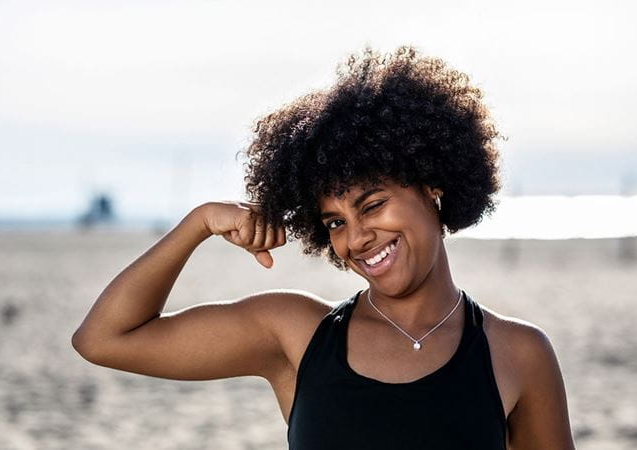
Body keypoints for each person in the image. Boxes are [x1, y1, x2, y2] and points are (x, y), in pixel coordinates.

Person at [72, 45, 576, 449]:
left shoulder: (517, 352)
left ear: (432, 186)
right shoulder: (296, 335)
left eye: (373, 205)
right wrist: (198, 223)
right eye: (335, 222)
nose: (356, 239)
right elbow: (104, 339)